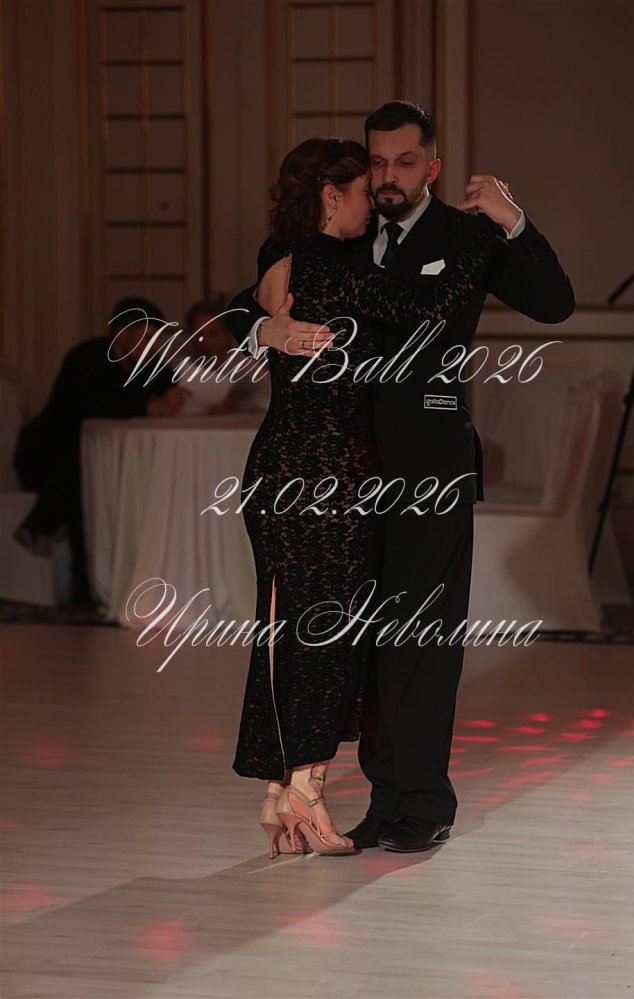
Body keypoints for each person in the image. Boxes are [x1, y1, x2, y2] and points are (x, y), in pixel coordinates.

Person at [228, 102, 575, 853]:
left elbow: (555, 304)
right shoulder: (342, 235)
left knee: (421, 638)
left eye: (404, 161)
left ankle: (421, 800)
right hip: (340, 474)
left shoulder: (467, 233)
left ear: (433, 166)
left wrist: (513, 222)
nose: (387, 176)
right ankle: (381, 799)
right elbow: (245, 296)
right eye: (377, 162)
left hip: (425, 469)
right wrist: (263, 328)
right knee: (355, 643)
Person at [13, 297, 186, 604]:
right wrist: (148, 407)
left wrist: (175, 397)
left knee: (94, 475)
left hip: (88, 459)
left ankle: (41, 525)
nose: (154, 346)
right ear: (122, 332)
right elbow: (81, 408)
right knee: (83, 480)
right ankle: (82, 586)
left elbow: (169, 386)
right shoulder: (86, 358)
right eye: (148, 337)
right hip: (47, 453)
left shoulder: (150, 362)